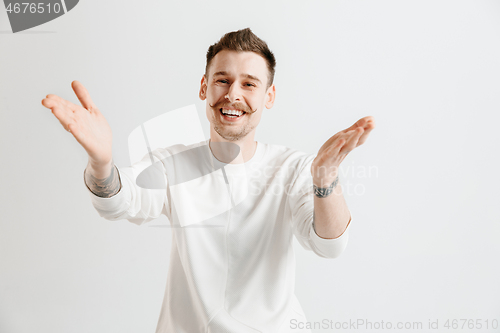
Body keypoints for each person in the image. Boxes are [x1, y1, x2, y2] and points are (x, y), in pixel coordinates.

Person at [42, 28, 375, 333]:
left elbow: (330, 245)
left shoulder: (294, 168)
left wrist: (326, 178)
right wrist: (101, 163)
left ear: (268, 97)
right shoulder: (172, 165)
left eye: (249, 83)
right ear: (204, 86)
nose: (232, 94)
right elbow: (119, 201)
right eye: (222, 80)